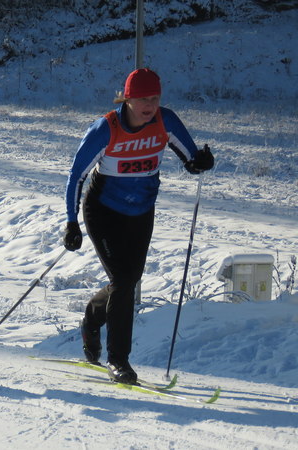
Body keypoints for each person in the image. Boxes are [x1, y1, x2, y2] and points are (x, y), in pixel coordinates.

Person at [62, 68, 214, 384]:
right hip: (103, 211)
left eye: (155, 98)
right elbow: (76, 176)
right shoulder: (105, 130)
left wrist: (201, 161)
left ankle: (92, 319)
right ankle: (118, 360)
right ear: (128, 99)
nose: (150, 106)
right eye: (143, 99)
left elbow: (191, 159)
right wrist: (72, 223)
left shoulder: (165, 121)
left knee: (128, 281)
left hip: (141, 210)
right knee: (123, 279)